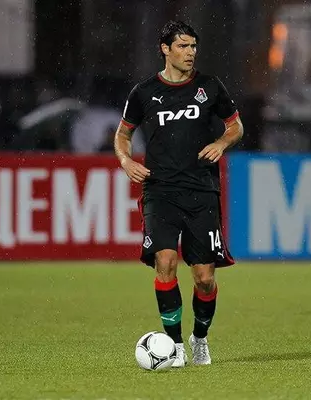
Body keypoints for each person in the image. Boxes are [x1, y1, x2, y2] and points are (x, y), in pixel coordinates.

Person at [114, 20, 244, 367]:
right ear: (165, 49)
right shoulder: (143, 92)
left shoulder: (209, 87)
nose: (190, 53)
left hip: (202, 190)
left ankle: (199, 337)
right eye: (183, 46)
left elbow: (235, 126)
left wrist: (221, 142)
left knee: (204, 278)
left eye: (193, 46)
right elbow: (123, 134)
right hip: (160, 191)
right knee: (166, 263)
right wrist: (125, 161)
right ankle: (174, 345)